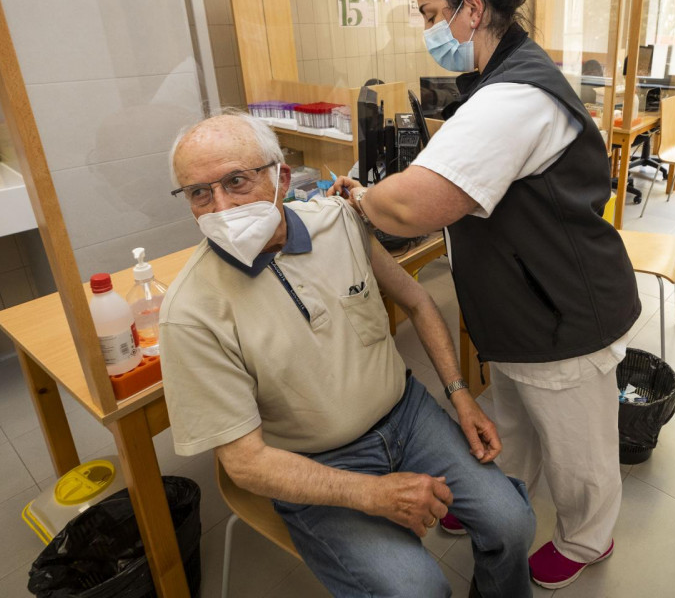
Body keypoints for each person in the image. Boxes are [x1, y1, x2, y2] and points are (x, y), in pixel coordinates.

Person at [330, 0, 641, 590]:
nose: (429, 30)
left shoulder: (517, 96)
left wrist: (362, 197)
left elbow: (416, 205)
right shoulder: (499, 78)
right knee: (518, 418)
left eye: (432, 14)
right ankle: (506, 499)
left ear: (472, 9)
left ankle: (591, 538)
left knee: (578, 445)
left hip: (562, 307)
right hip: (518, 304)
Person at [159, 112, 535, 598]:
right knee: (415, 591)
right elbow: (246, 464)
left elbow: (418, 301)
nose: (222, 206)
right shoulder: (191, 311)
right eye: (199, 193)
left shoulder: (337, 222)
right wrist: (371, 494)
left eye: (236, 181)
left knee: (512, 525)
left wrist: (460, 396)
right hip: (315, 464)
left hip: (409, 416)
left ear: (281, 178)